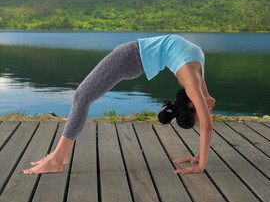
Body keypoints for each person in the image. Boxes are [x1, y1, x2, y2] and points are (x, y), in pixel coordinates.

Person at [23, 34, 215, 175]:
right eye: (200, 112)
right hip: (127, 58)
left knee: (82, 97)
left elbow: (208, 105)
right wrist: (201, 166)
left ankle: (60, 155)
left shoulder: (197, 78)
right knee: (82, 97)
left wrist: (199, 155)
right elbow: (207, 125)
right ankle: (58, 159)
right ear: (191, 104)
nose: (206, 112)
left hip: (131, 58)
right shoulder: (192, 83)